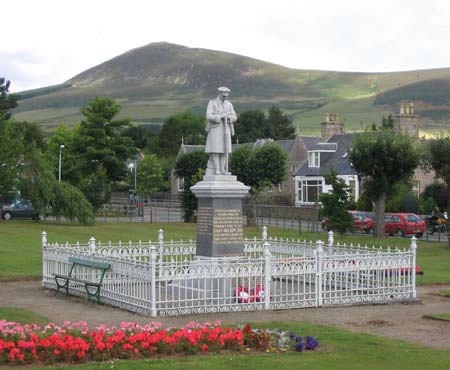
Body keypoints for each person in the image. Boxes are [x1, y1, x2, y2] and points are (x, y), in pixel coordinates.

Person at [205, 86, 237, 175]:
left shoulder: (229, 104)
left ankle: (223, 169)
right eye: (223, 96)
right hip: (215, 128)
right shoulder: (212, 103)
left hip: (226, 128)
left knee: (225, 150)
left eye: (226, 96)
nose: (225, 97)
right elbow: (208, 116)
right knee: (216, 149)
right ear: (220, 94)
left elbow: (235, 117)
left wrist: (229, 117)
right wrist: (220, 117)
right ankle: (217, 170)